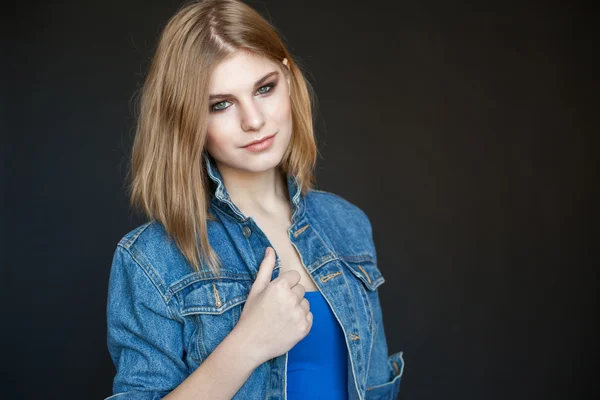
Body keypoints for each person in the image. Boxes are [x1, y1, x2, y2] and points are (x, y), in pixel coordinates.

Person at [105, 0, 404, 399]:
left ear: (288, 76)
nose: (254, 120)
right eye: (221, 104)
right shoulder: (151, 259)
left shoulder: (346, 224)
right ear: (186, 119)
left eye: (264, 88)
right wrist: (248, 345)